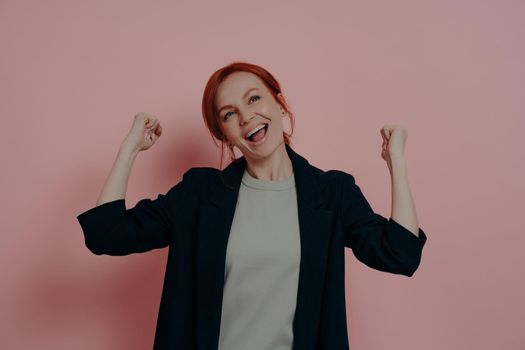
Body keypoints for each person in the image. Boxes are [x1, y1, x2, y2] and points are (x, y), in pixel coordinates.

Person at [76, 61, 428, 350]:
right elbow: (106, 234)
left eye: (254, 99)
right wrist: (129, 148)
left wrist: (396, 161)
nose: (246, 117)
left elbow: (400, 253)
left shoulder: (331, 193)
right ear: (225, 135)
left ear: (279, 103)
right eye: (229, 114)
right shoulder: (199, 193)